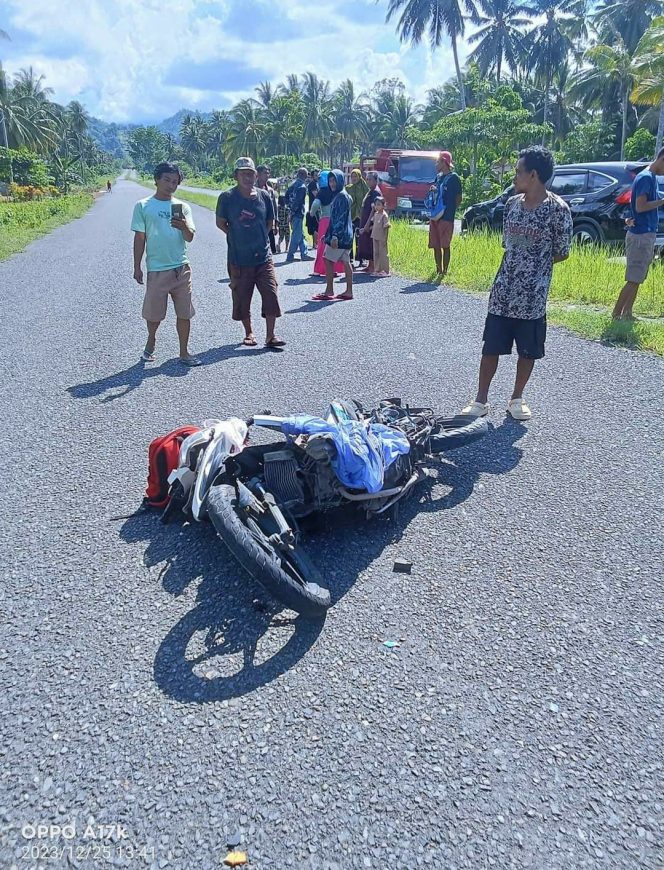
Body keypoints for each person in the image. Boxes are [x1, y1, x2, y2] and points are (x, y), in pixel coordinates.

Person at [461, 146, 572, 421]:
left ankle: (517, 398)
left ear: (533, 175)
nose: (514, 176)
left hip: (532, 297)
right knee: (491, 347)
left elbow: (562, 251)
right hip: (503, 291)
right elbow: (507, 245)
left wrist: (535, 267)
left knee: (528, 350)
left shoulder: (558, 210)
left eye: (518, 171)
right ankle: (480, 400)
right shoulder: (511, 204)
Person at [131, 161, 200, 366]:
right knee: (154, 314)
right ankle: (151, 341)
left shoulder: (183, 207)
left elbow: (189, 237)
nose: (171, 185)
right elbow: (140, 238)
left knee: (184, 312)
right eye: (167, 180)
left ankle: (184, 353)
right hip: (157, 270)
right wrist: (137, 267)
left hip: (181, 268)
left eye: (175, 182)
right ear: (157, 180)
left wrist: (184, 226)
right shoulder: (143, 206)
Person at [216, 157, 285, 349]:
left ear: (256, 175)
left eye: (250, 173)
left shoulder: (264, 196)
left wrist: (259, 237)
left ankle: (270, 336)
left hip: (263, 257)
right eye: (242, 173)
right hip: (239, 258)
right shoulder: (227, 198)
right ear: (236, 176)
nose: (247, 177)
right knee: (242, 297)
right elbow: (220, 222)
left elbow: (270, 222)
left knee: (271, 293)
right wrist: (237, 236)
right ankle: (249, 333)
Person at [612, 147, 664, 320]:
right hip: (640, 235)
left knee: (638, 277)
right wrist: (662, 202)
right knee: (633, 278)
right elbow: (640, 207)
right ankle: (616, 314)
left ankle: (627, 313)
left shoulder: (651, 177)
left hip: (645, 234)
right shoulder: (645, 178)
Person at [311, 170, 354, 302]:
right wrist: (328, 234)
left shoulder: (340, 196)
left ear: (340, 181)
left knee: (327, 259)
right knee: (346, 262)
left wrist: (334, 236)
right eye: (330, 181)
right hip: (346, 234)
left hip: (340, 235)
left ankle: (329, 290)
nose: (332, 183)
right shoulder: (344, 195)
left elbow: (339, 218)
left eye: (334, 180)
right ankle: (348, 291)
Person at [428, 150, 462, 279]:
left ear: (444, 162)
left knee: (445, 245)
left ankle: (445, 272)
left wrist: (450, 210)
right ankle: (438, 270)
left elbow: (459, 198)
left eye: (438, 162)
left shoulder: (454, 178)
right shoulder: (438, 177)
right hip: (435, 216)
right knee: (435, 245)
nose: (436, 164)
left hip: (447, 217)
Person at [313, 172, 344, 278]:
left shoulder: (322, 191)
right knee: (333, 245)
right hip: (335, 220)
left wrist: (311, 213)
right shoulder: (337, 191)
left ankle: (319, 269)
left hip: (324, 220)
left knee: (322, 245)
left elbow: (315, 205)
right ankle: (334, 269)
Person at [357, 171, 382, 272]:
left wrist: (367, 225)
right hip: (365, 220)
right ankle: (369, 265)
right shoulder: (370, 191)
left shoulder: (376, 192)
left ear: (376, 180)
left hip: (371, 223)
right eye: (367, 179)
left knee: (371, 244)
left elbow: (374, 210)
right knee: (366, 243)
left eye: (370, 179)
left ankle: (373, 266)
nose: (368, 181)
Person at [285, 167, 310, 262]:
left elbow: (286, 197)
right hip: (298, 213)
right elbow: (298, 202)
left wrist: (289, 208)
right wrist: (292, 212)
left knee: (300, 233)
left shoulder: (292, 185)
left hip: (292, 212)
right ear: (305, 175)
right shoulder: (302, 187)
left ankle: (304, 253)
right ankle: (290, 255)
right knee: (296, 235)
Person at [347, 168, 369, 266]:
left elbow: (368, 200)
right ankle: (350, 259)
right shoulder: (348, 188)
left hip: (361, 216)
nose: (354, 178)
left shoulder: (364, 187)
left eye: (355, 176)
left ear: (359, 177)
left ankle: (361, 259)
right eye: (352, 176)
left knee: (360, 238)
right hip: (350, 216)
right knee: (350, 237)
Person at [256, 164, 278, 255]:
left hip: (268, 223)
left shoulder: (270, 190)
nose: (267, 175)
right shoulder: (252, 188)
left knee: (270, 250)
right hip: (256, 223)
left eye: (268, 173)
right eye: (265, 173)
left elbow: (274, 208)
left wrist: (275, 224)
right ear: (258, 174)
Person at [370, 197, 390, 277]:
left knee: (383, 254)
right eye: (375, 205)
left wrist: (385, 238)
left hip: (382, 237)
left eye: (379, 205)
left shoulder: (384, 215)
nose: (376, 207)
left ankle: (386, 270)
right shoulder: (376, 214)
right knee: (376, 253)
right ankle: (377, 269)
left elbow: (387, 227)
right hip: (375, 236)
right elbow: (374, 223)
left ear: (383, 206)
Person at [306, 169, 320, 245]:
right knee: (315, 226)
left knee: (316, 226)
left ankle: (315, 243)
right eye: (315, 175)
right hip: (313, 208)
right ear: (312, 176)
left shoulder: (317, 183)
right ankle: (315, 244)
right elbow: (316, 195)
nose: (317, 176)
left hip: (317, 208)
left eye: (318, 175)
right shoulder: (312, 184)